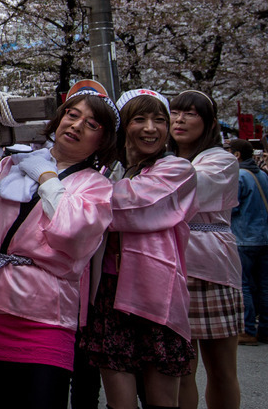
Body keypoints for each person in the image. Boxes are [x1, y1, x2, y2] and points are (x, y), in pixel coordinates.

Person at [0, 82, 118, 409]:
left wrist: (47, 178)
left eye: (92, 124)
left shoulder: (97, 186)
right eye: (72, 114)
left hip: (46, 320)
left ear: (102, 140)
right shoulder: (14, 165)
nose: (77, 125)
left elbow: (70, 233)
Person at [79, 89, 197, 409]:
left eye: (159, 120)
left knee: (162, 401)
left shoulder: (177, 170)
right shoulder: (106, 172)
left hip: (157, 292)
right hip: (108, 292)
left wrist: (79, 194)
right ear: (122, 126)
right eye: (139, 119)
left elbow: (130, 204)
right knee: (120, 403)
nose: (150, 128)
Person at [166, 89, 241, 409]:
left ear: (209, 123)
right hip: (170, 265)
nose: (179, 120)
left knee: (221, 368)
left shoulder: (221, 160)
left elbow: (183, 189)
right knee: (181, 369)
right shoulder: (165, 159)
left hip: (211, 267)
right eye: (174, 113)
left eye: (190, 113)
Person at [231, 139, 268, 345]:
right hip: (263, 237)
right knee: (264, 286)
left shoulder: (240, 176)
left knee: (243, 284)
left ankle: (247, 329)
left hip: (244, 237)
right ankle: (265, 328)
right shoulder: (262, 175)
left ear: (237, 155)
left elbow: (232, 207)